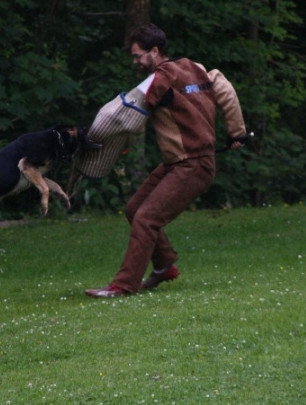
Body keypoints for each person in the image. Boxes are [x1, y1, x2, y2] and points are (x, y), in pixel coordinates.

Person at [85, 23, 248, 297]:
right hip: (180, 163)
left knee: (146, 219)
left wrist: (92, 140)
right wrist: (237, 133)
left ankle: (123, 286)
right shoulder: (193, 67)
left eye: (138, 56)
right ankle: (164, 266)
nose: (135, 61)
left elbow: (126, 116)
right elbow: (224, 88)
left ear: (155, 51)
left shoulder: (158, 79)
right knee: (134, 209)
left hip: (192, 165)